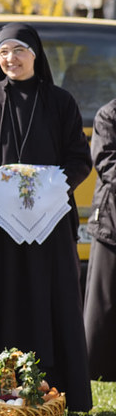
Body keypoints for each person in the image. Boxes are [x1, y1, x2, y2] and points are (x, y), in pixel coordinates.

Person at [0, 22, 93, 411]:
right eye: (3, 52)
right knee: (2, 303)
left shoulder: (61, 102)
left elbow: (78, 160)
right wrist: (1, 185)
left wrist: (43, 185)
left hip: (50, 225)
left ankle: (60, 390)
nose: (10, 59)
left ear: (35, 54)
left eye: (18, 51)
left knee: (54, 303)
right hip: (0, 227)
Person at [84, 97, 116, 380]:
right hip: (112, 220)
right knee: (105, 300)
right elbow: (106, 162)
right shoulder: (108, 114)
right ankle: (97, 368)